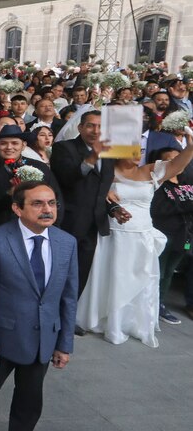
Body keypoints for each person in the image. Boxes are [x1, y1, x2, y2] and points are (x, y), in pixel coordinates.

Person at [0, 182, 78, 431]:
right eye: (38, 204)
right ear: (18, 208)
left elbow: (69, 298)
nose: (47, 210)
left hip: (43, 338)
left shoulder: (67, 243)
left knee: (30, 399)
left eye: (51, 203)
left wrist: (64, 344)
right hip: (1, 337)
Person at [77, 127, 193, 347]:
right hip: (115, 233)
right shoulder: (105, 174)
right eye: (131, 151)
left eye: (139, 151)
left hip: (143, 233)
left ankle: (134, 323)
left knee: (142, 278)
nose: (137, 155)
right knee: (114, 277)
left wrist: (190, 145)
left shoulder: (151, 170)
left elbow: (179, 164)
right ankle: (107, 320)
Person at [51, 110, 116, 296]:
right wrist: (91, 158)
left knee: (80, 276)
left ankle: (68, 319)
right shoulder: (64, 148)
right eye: (90, 125)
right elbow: (66, 179)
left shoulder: (110, 153)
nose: (96, 131)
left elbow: (101, 188)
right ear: (80, 127)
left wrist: (113, 208)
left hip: (93, 224)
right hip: (68, 223)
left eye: (100, 127)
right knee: (59, 274)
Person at [0, 125, 62, 231]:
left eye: (15, 143)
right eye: (3, 143)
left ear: (23, 145)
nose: (9, 147)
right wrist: (9, 194)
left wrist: (53, 228)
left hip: (35, 228)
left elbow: (56, 198)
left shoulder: (39, 167)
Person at [148, 148, 193, 324]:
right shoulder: (158, 184)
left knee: (169, 272)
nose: (178, 161)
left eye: (179, 157)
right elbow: (159, 210)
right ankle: (151, 304)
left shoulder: (186, 182)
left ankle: (161, 303)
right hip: (163, 235)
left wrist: (182, 205)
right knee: (158, 270)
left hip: (185, 236)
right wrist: (185, 205)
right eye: (172, 159)